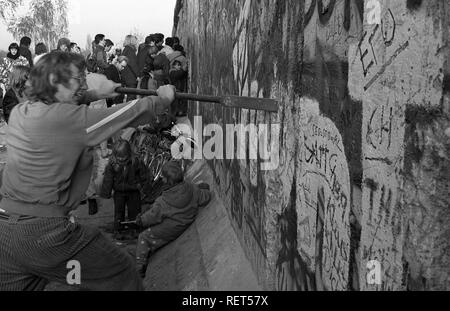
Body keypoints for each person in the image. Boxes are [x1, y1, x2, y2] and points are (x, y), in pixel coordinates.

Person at [0, 51, 176, 291]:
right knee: (121, 272)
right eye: (77, 79)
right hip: (45, 234)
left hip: (6, 232)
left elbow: (60, 107)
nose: (83, 84)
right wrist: (162, 99)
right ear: (54, 82)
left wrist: (95, 94)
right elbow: (125, 115)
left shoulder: (22, 112)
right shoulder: (70, 119)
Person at [134, 161, 212, 277]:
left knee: (143, 237)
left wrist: (141, 220)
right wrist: (205, 189)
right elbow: (204, 197)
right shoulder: (191, 188)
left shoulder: (163, 201)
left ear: (166, 180)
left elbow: (152, 217)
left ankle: (139, 266)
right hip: (186, 221)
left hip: (171, 229)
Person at [100, 139, 148, 238]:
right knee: (119, 212)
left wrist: (145, 188)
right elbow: (108, 179)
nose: (121, 160)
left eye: (124, 158)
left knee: (135, 211)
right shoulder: (112, 165)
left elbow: (144, 175)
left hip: (133, 190)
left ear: (129, 153)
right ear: (114, 155)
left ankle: (135, 228)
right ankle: (118, 230)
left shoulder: (136, 161)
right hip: (119, 192)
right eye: (119, 158)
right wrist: (106, 192)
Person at [121, 35, 139, 100]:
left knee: (129, 95)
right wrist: (138, 75)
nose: (136, 42)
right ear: (131, 41)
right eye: (135, 40)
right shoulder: (130, 50)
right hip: (131, 76)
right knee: (131, 96)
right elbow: (133, 64)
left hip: (126, 75)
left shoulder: (125, 49)